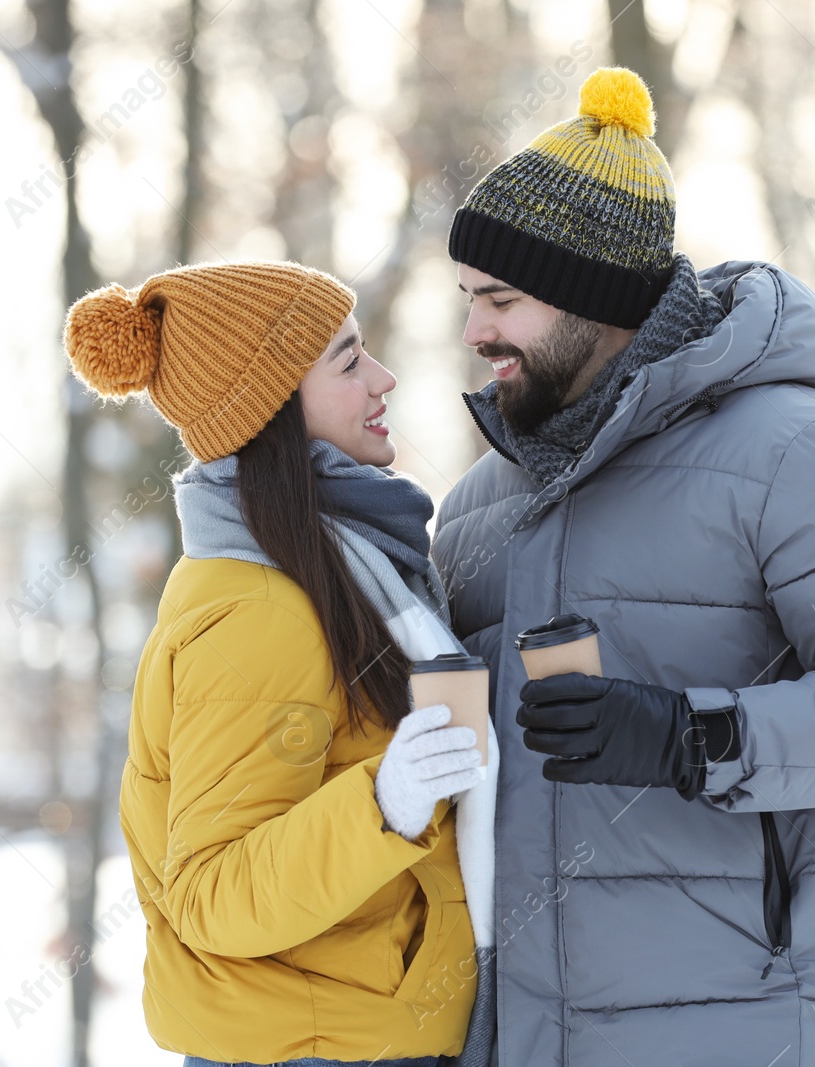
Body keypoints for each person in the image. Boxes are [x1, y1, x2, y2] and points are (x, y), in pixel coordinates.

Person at [431, 67, 815, 1066]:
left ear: (589, 298)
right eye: (469, 298)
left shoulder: (797, 451)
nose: (474, 331)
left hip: (753, 1026)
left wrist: (692, 733)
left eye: (500, 299)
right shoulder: (481, 503)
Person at [63, 260, 499, 1067]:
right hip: (307, 1046)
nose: (384, 377)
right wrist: (385, 802)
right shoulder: (261, 611)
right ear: (273, 411)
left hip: (342, 1032)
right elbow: (210, 891)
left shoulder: (329, 569)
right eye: (347, 361)